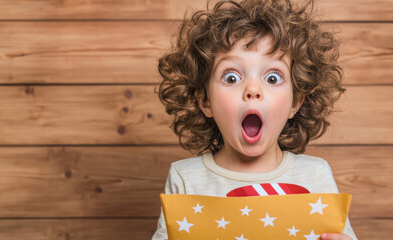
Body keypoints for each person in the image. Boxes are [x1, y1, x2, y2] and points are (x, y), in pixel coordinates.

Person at [153, 0, 357, 239]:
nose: (253, 89)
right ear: (205, 101)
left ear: (295, 102)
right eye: (231, 78)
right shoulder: (185, 179)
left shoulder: (315, 175)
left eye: (272, 78)